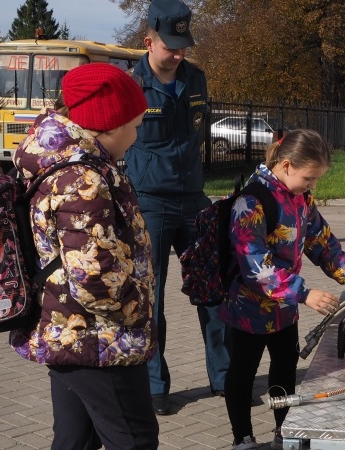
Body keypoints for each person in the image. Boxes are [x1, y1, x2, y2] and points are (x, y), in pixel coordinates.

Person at [10, 62, 159, 449]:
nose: (138, 135)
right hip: (100, 337)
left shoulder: (63, 163)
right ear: (109, 124)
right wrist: (137, 312)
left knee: (75, 440)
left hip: (67, 329)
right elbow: (95, 277)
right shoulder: (83, 180)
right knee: (135, 440)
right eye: (136, 124)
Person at [218, 129, 345, 450]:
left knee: (284, 369)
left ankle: (286, 431)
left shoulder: (300, 198)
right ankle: (243, 438)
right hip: (247, 311)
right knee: (242, 373)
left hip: (284, 310)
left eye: (316, 180)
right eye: (309, 178)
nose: (313, 186)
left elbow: (321, 241)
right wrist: (305, 294)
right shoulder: (251, 202)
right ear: (287, 165)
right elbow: (255, 265)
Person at [124, 0, 230, 416]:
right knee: (151, 300)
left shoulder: (196, 79)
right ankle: (154, 388)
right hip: (149, 202)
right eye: (171, 45)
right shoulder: (130, 87)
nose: (179, 53)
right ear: (148, 41)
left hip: (194, 202)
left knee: (214, 294)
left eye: (183, 44)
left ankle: (225, 379)